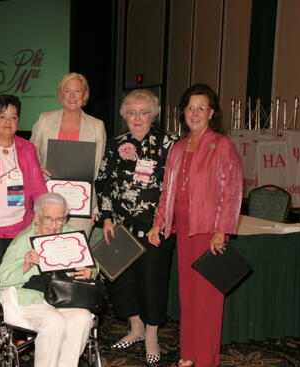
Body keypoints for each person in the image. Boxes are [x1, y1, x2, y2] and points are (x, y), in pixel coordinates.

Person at [148, 84, 243, 367]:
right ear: (183, 112)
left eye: (202, 108)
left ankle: (206, 359)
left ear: (212, 113)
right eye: (191, 107)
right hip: (183, 228)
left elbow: (232, 190)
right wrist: (158, 223)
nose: (195, 113)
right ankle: (188, 353)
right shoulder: (177, 147)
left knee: (208, 301)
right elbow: (167, 190)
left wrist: (221, 230)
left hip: (207, 229)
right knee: (187, 296)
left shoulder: (222, 144)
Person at [95, 89, 178, 365]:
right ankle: (135, 328)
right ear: (125, 116)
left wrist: (161, 222)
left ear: (153, 115)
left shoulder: (169, 144)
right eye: (132, 112)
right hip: (120, 227)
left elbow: (174, 188)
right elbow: (104, 181)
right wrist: (106, 217)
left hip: (155, 228)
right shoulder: (116, 143)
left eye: (143, 112)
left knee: (152, 282)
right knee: (121, 280)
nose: (138, 117)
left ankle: (152, 334)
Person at [0, 193, 94, 367]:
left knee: (83, 318)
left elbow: (93, 265)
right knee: (53, 322)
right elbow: (1, 279)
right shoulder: (24, 240)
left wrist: (90, 271)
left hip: (62, 298)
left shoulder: (70, 233)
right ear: (37, 217)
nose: (54, 225)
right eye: (48, 219)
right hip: (27, 299)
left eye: (59, 219)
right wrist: (25, 267)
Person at [0, 94, 47, 273]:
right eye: (2, 116)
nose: (8, 122)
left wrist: (46, 216)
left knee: (18, 276)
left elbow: (38, 187)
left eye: (13, 117)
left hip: (21, 227)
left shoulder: (27, 148)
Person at [30, 72, 107, 237]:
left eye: (78, 91)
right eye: (67, 91)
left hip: (81, 205)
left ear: (85, 95)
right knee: (49, 253)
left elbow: (98, 170)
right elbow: (30, 156)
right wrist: (37, 170)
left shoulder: (97, 126)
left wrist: (94, 207)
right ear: (60, 94)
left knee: (73, 253)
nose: (72, 96)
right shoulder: (44, 120)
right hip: (48, 200)